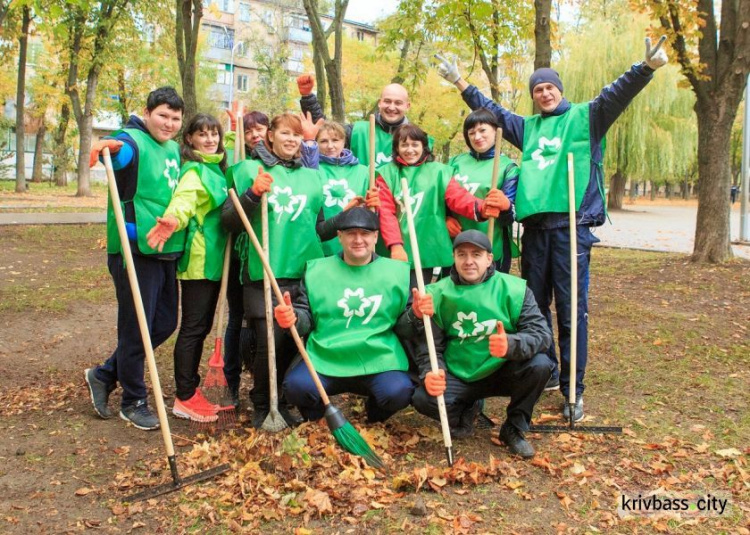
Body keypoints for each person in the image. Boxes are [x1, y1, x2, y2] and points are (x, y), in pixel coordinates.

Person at [436, 37, 669, 421]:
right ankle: (546, 371)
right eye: (537, 89)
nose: (544, 93)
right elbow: (491, 112)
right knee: (535, 307)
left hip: (571, 226)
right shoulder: (527, 128)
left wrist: (644, 68)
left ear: (559, 89)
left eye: (549, 87)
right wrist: (462, 82)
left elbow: (617, 94)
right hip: (536, 229)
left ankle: (572, 390)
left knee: (571, 309)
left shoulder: (585, 116)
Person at [221, 112, 340, 428]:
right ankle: (262, 403)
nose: (292, 140)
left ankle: (283, 400)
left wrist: (348, 216)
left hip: (303, 271)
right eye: (286, 133)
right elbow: (229, 222)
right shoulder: (249, 169)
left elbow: (320, 228)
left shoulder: (313, 176)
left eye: (298, 135)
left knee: (293, 340)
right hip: (264, 269)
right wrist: (252, 194)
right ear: (270, 135)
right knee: (267, 341)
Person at [84, 87, 185, 431]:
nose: (169, 124)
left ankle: (104, 374)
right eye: (163, 116)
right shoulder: (132, 140)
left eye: (175, 118)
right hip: (133, 248)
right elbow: (121, 152)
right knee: (136, 326)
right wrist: (110, 148)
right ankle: (133, 400)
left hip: (165, 247)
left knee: (164, 323)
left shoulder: (173, 148)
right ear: (147, 112)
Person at [410, 230, 552, 458]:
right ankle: (467, 408)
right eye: (461, 254)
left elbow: (542, 335)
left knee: (541, 364)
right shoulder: (435, 294)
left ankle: (514, 428)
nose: (468, 261)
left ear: (489, 258)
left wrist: (511, 343)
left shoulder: (514, 289)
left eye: (476, 254)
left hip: (502, 368)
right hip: (460, 372)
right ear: (453, 258)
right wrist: (432, 371)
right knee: (423, 398)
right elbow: (429, 346)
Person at [275, 207, 415, 422]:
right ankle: (317, 418)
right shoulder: (317, 271)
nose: (358, 239)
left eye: (365, 233)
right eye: (351, 233)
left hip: (379, 358)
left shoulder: (397, 273)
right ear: (339, 237)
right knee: (297, 387)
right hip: (326, 356)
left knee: (398, 391)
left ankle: (375, 415)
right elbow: (306, 317)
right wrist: (293, 318)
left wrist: (415, 314)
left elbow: (405, 328)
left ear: (376, 236)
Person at [145, 113, 229, 423]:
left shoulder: (215, 167)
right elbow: (184, 200)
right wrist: (173, 220)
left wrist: (231, 128)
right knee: (194, 328)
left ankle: (190, 391)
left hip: (215, 259)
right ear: (189, 139)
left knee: (202, 326)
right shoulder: (195, 172)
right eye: (202, 134)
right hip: (199, 260)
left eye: (214, 134)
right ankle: (185, 395)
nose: (210, 140)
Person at [376, 123, 508, 286]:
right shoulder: (386, 174)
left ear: (424, 146)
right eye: (404, 145)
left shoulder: (439, 172)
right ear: (397, 147)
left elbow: (459, 197)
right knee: (394, 295)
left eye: (415, 144)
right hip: (396, 247)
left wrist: (482, 208)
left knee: (417, 293)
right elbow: (386, 213)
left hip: (425, 245)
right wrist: (395, 246)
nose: (410, 150)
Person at [296, 75, 432, 166]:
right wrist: (308, 98)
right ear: (379, 103)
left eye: (398, 103)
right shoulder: (357, 131)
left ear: (407, 106)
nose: (392, 107)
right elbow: (326, 131)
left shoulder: (418, 139)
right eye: (387, 101)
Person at [449, 108, 519, 273]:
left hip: (492, 243)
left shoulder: (508, 167)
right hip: (455, 242)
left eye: (482, 130)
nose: (477, 137)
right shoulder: (454, 163)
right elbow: (439, 199)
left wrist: (506, 206)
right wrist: (445, 219)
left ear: (495, 130)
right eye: (472, 132)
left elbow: (510, 217)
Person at [317, 120, 380, 255]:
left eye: (335, 140)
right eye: (323, 141)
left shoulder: (364, 172)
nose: (330, 146)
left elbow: (373, 208)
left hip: (356, 242)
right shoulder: (312, 170)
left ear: (344, 141)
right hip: (322, 242)